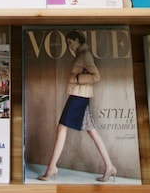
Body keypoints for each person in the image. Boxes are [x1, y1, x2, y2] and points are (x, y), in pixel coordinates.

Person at [38, 30, 116, 182]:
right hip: (79, 95)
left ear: (78, 40)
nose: (69, 46)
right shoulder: (81, 55)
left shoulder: (85, 55)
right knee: (90, 131)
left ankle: (52, 167)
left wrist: (78, 78)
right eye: (67, 43)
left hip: (79, 96)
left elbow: (96, 76)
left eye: (70, 42)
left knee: (62, 128)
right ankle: (109, 166)